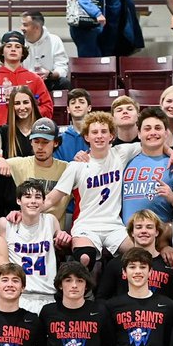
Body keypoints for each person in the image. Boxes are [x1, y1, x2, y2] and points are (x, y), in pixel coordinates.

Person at [42, 112, 140, 267]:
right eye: (94, 132)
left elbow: (151, 142)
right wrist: (26, 212)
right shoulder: (76, 166)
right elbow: (51, 198)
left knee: (140, 255)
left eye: (104, 131)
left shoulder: (120, 154)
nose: (99, 136)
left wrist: (172, 153)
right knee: (85, 259)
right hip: (86, 225)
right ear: (86, 137)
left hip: (114, 225)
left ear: (112, 135)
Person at [0, 180, 63, 314]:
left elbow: (60, 249)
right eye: (28, 196)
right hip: (18, 296)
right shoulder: (4, 225)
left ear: (43, 201)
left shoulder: (51, 221)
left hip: (48, 296)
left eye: (37, 197)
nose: (33, 201)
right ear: (18, 201)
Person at [0, 117, 70, 220]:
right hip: (24, 229)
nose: (40, 147)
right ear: (31, 142)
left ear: (56, 143)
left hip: (55, 233)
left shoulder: (67, 169)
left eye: (45, 142)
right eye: (36, 141)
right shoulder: (19, 164)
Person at [0, 32, 54, 127]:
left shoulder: (35, 79)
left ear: (23, 52)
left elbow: (47, 108)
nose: (13, 49)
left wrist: (28, 112)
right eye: (9, 46)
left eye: (18, 46)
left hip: (28, 133)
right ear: (2, 51)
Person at [21, 10, 70, 91]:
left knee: (64, 82)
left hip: (48, 81)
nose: (21, 28)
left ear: (36, 27)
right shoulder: (19, 42)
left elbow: (62, 67)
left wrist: (50, 74)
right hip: (25, 81)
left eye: (25, 25)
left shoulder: (54, 40)